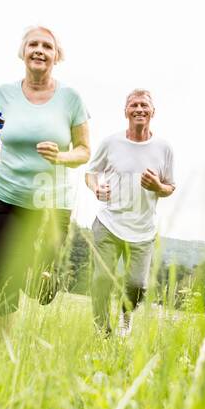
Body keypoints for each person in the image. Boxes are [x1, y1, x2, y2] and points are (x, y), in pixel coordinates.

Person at [0, 26, 90, 337]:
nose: (39, 50)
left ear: (56, 56)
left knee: (42, 285)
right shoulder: (3, 94)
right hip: (3, 196)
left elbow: (84, 151)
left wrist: (61, 157)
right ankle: (1, 353)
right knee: (2, 279)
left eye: (47, 46)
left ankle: (33, 277)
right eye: (32, 44)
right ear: (23, 53)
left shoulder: (71, 99)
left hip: (51, 202)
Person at [85, 89, 175, 335]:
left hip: (143, 230)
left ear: (153, 112)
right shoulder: (111, 143)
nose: (139, 109)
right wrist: (96, 187)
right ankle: (101, 330)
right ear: (125, 111)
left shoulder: (164, 148)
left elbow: (170, 187)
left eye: (144, 105)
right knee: (102, 279)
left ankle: (127, 317)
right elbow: (90, 173)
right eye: (133, 105)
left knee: (137, 285)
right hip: (109, 222)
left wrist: (157, 186)